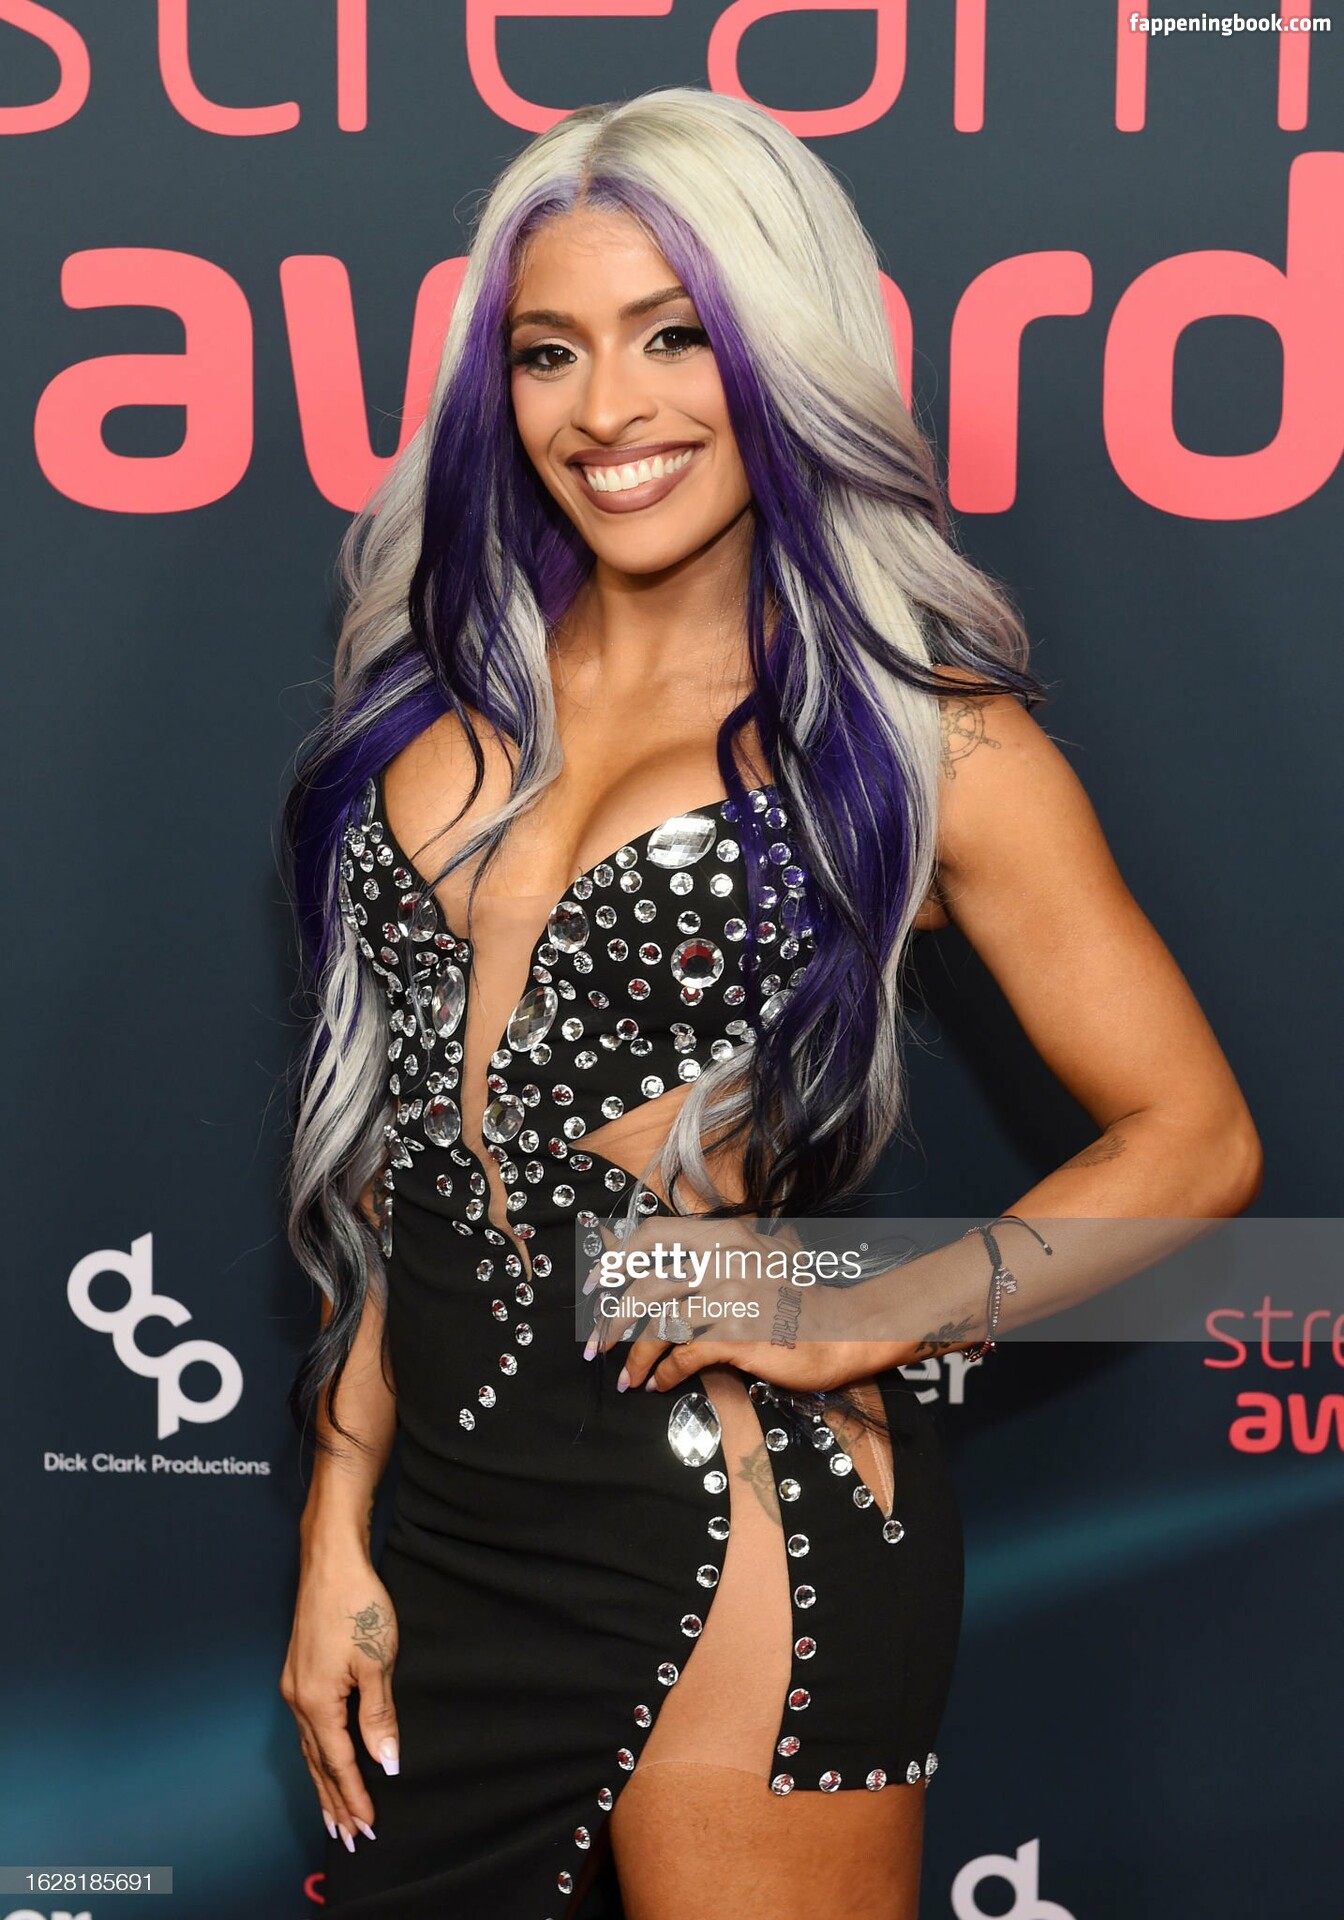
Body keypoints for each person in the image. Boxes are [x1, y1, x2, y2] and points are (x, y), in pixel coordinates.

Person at [277, 86, 1261, 1920]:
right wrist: (337, 1529)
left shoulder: (918, 740)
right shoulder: (431, 712)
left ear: (781, 354)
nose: (608, 410)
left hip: (732, 1540)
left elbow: (1196, 1139)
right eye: (550, 352)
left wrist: (868, 1309)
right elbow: (403, 1167)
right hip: (455, 1549)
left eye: (675, 338)